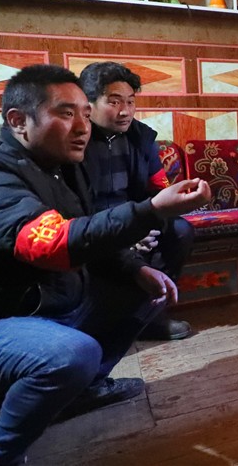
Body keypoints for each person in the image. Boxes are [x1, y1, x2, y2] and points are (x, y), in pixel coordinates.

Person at [0, 65, 211, 465]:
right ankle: (0, 454)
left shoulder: (63, 165)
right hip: (1, 318)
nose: (82, 128)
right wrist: (150, 211)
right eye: (66, 113)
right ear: (18, 121)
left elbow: (86, 223)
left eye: (85, 115)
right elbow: (53, 243)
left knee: (148, 289)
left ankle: (85, 390)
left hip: (53, 300)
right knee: (71, 355)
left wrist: (135, 268)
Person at [79, 61, 194, 340]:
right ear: (88, 104)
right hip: (90, 222)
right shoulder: (75, 139)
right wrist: (125, 231)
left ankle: (148, 316)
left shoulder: (141, 138)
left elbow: (158, 191)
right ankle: (103, 319)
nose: (125, 111)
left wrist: (145, 223)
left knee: (180, 230)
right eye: (114, 102)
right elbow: (72, 201)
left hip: (134, 216)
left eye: (130, 101)